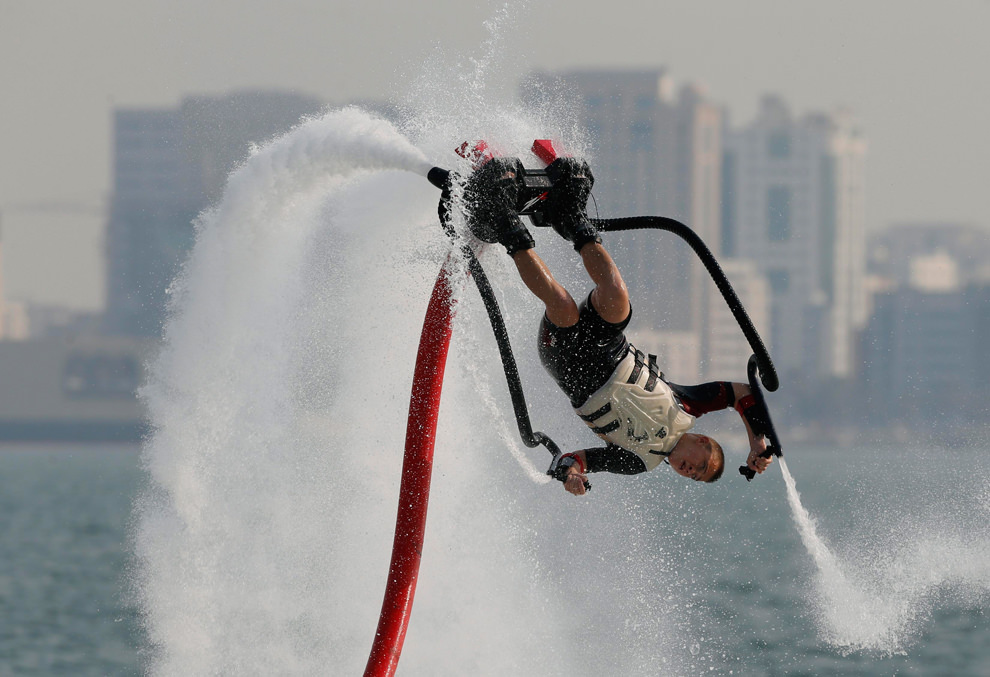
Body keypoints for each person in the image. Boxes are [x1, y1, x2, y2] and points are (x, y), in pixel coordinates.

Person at [459, 155, 773, 496]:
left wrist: (571, 475)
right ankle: (571, 217)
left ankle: (504, 220)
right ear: (701, 440)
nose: (691, 470)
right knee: (617, 297)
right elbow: (741, 391)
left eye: (694, 476)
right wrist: (756, 439)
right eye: (701, 464)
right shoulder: (689, 405)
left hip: (570, 367)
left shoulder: (638, 462)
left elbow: (576, 459)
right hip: (609, 345)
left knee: (563, 306)